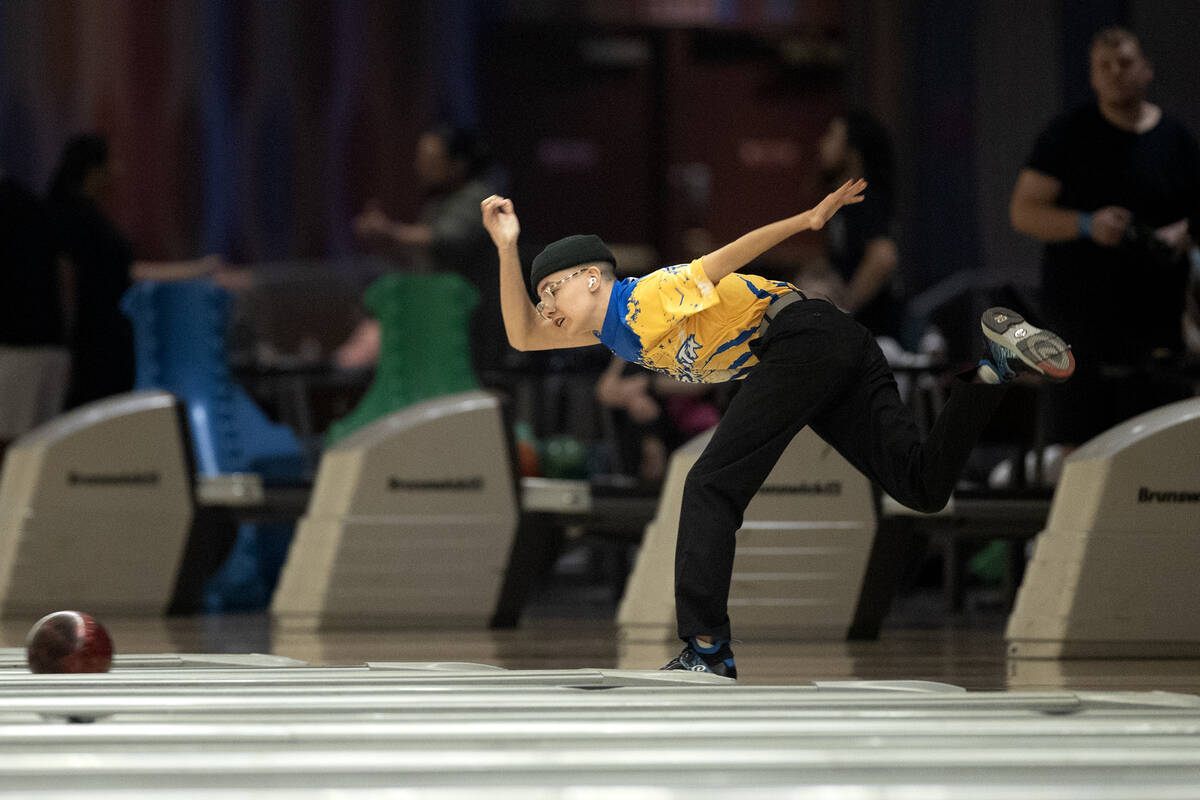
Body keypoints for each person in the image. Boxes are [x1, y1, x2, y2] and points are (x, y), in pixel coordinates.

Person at [481, 181, 1076, 679]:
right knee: (921, 487)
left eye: (551, 289)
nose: (547, 307)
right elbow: (522, 335)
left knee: (709, 482)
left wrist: (809, 219)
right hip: (831, 342)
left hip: (801, 340)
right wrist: (507, 247)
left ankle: (707, 651)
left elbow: (726, 258)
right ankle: (992, 368)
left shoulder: (646, 298)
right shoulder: (608, 329)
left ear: (591, 277)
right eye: (541, 296)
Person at [1009, 27, 1200, 444]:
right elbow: (1023, 211)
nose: (1116, 73)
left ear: (1146, 70)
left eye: (1126, 63)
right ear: (1093, 77)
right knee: (1078, 449)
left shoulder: (1177, 141)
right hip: (1081, 322)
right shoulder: (1067, 135)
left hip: (1157, 324)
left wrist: (1180, 233)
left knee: (1159, 447)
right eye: (1104, 66)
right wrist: (1084, 225)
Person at [46, 134, 225, 408]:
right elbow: (104, 277)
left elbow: (125, 273)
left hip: (99, 342)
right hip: (93, 346)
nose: (118, 171)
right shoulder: (77, 220)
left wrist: (197, 269)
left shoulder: (79, 216)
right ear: (95, 171)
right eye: (112, 163)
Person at [338, 124, 508, 374]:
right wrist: (386, 243)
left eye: (430, 160)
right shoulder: (438, 204)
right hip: (438, 323)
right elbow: (422, 261)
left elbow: (444, 238)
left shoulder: (479, 199)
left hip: (470, 329)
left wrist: (389, 231)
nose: (420, 167)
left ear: (457, 164)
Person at [807, 110, 904, 339]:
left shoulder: (864, 200)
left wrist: (844, 309)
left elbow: (883, 256)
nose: (822, 144)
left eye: (832, 136)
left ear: (852, 153)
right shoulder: (841, 205)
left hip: (876, 336)